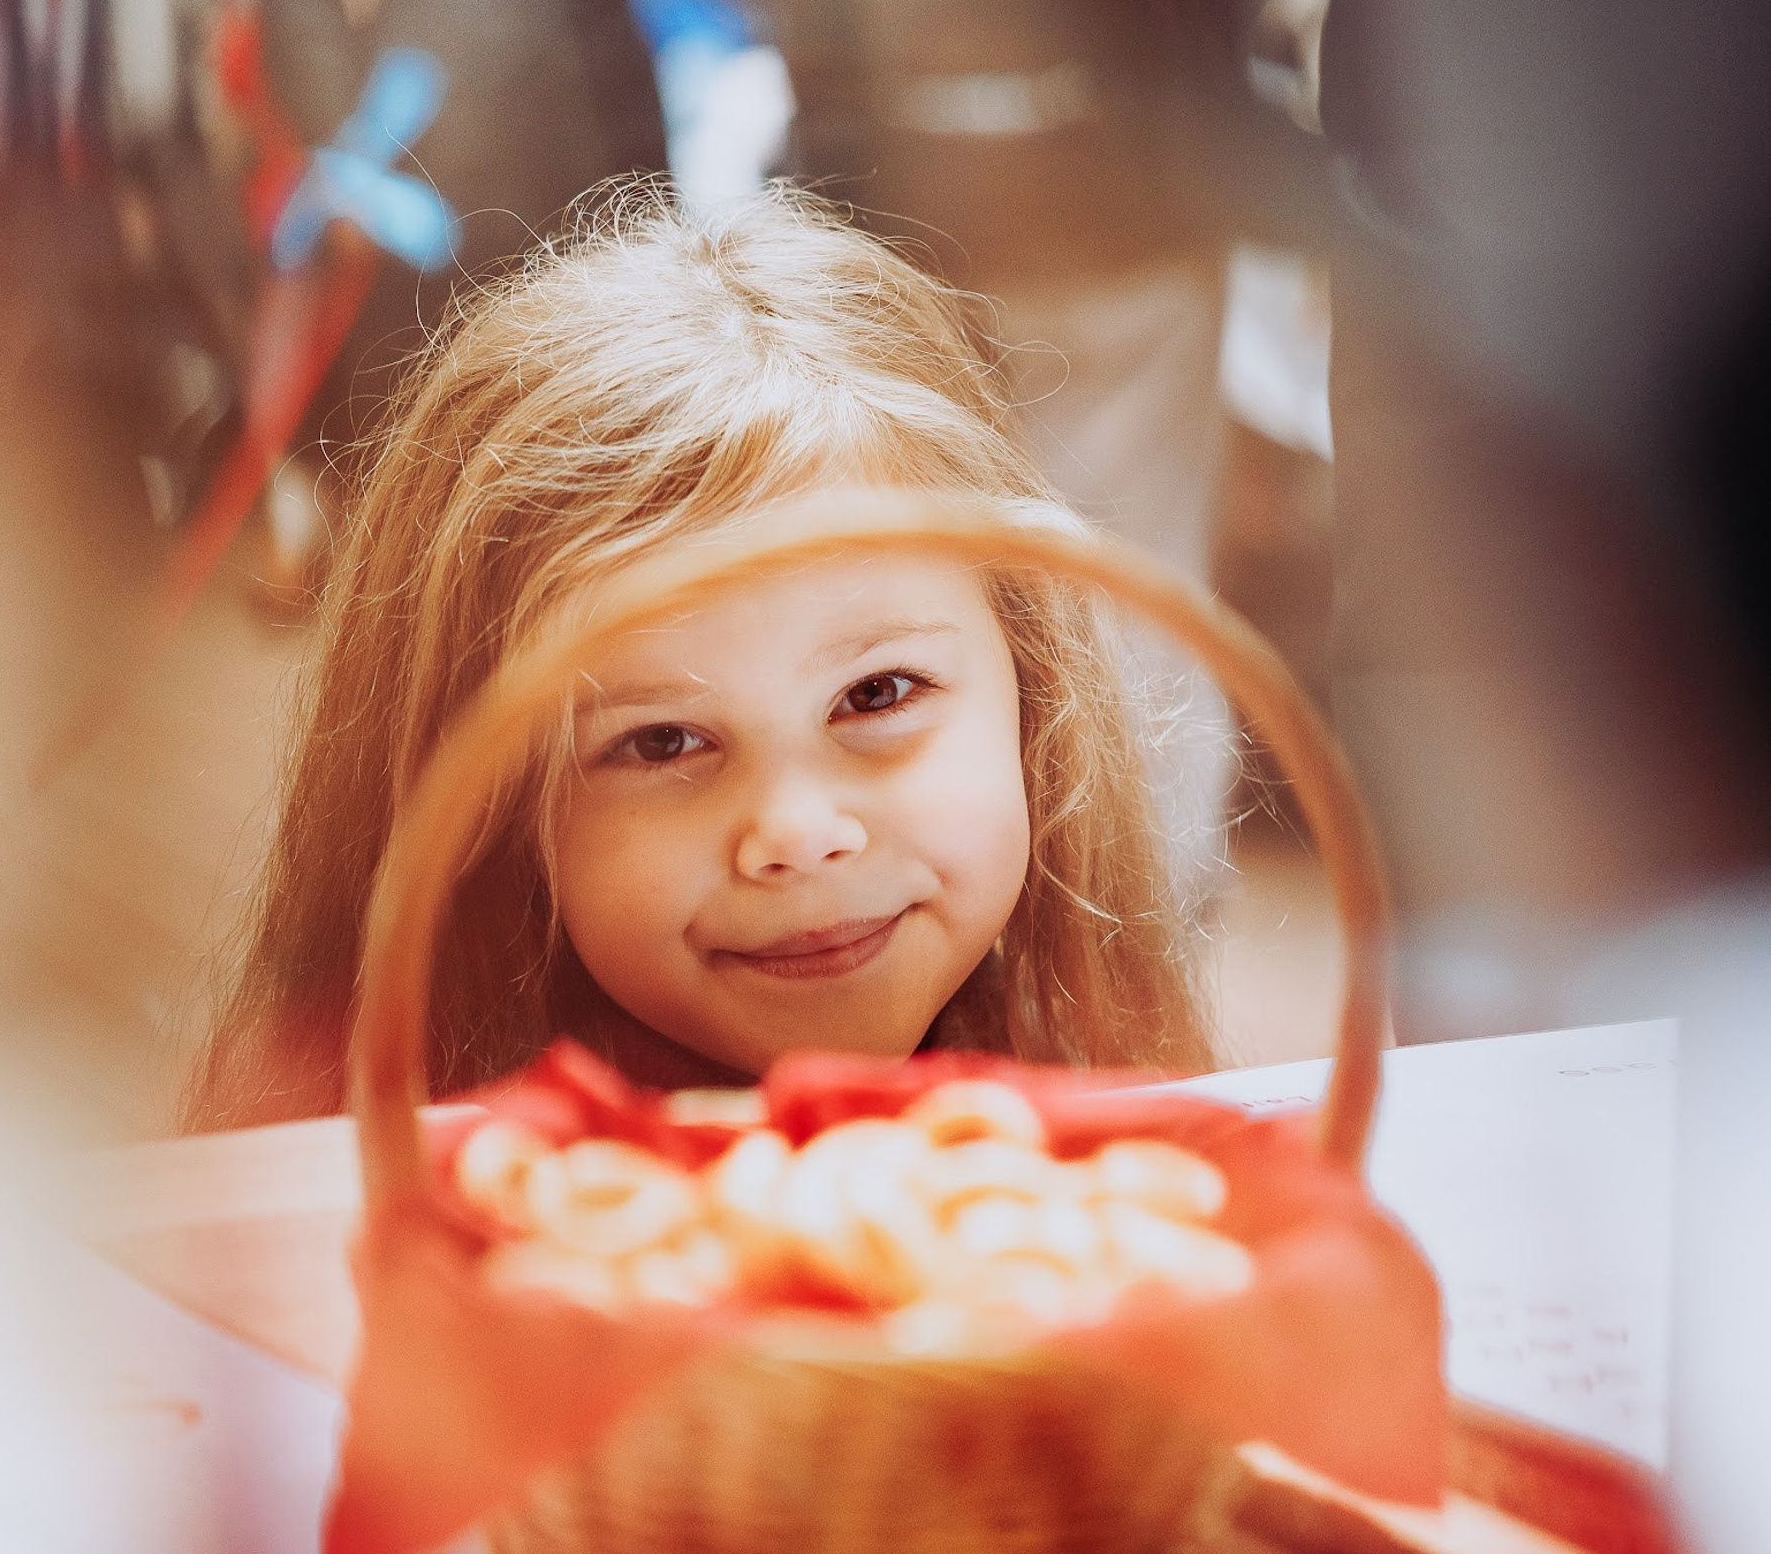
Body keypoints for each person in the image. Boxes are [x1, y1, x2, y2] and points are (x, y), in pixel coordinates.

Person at [185, 183, 1216, 1132]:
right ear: (486, 817)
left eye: (877, 693)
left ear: (1031, 698)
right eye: (662, 740)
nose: (798, 834)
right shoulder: (392, 1182)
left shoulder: (1081, 1091)